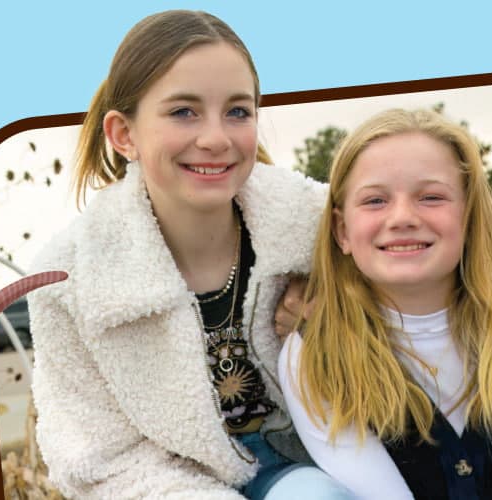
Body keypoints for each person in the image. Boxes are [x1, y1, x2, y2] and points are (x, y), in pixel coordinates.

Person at [26, 10, 352, 499]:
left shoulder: (319, 225)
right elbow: (95, 459)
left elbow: (437, 295)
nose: (216, 138)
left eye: (238, 111)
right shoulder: (68, 280)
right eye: (184, 111)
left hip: (335, 459)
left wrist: (345, 297)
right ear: (124, 135)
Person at [276, 108, 492, 499]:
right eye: (375, 201)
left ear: (468, 217)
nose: (402, 217)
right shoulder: (317, 355)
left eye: (431, 197)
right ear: (342, 230)